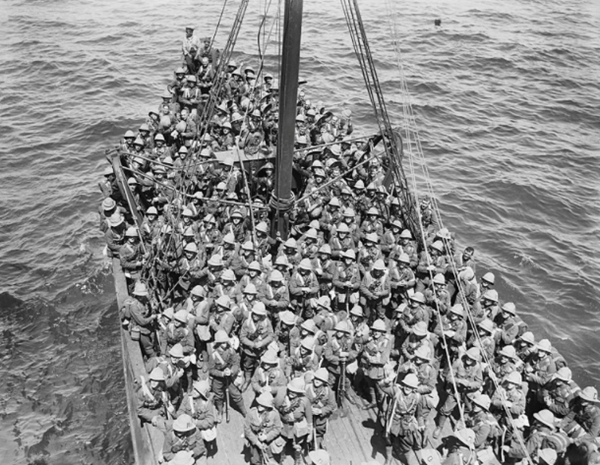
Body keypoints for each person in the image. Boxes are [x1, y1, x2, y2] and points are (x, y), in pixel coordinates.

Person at [380, 373, 426, 465]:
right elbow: (382, 387)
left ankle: (409, 461)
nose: (407, 388)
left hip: (407, 423)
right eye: (406, 385)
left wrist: (421, 424)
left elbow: (419, 413)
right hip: (394, 420)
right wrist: (388, 379)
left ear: (414, 388)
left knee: (407, 443)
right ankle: (389, 459)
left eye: (410, 386)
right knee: (389, 440)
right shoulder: (396, 391)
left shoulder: (417, 397)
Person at [208, 330, 247, 422]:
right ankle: (220, 412)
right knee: (218, 396)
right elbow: (211, 370)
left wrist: (232, 371)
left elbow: (236, 364)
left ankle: (244, 412)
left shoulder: (231, 351)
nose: (225, 344)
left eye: (225, 341)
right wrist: (222, 374)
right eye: (222, 342)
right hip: (218, 378)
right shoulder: (213, 355)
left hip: (230, 377)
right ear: (218, 343)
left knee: (236, 395)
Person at [244, 392, 285, 465]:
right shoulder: (251, 413)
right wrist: (257, 442)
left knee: (271, 460)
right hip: (255, 441)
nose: (260, 406)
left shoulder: (274, 414)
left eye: (263, 405)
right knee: (255, 460)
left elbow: (278, 428)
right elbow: (247, 429)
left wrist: (266, 437)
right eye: (260, 403)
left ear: (268, 407)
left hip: (269, 442)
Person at [306, 368, 336, 449]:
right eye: (316, 378)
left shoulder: (328, 391)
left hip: (320, 420)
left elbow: (332, 406)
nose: (317, 380)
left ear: (324, 382)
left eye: (320, 379)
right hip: (308, 419)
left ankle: (317, 446)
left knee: (319, 434)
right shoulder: (307, 388)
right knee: (307, 433)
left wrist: (321, 411)